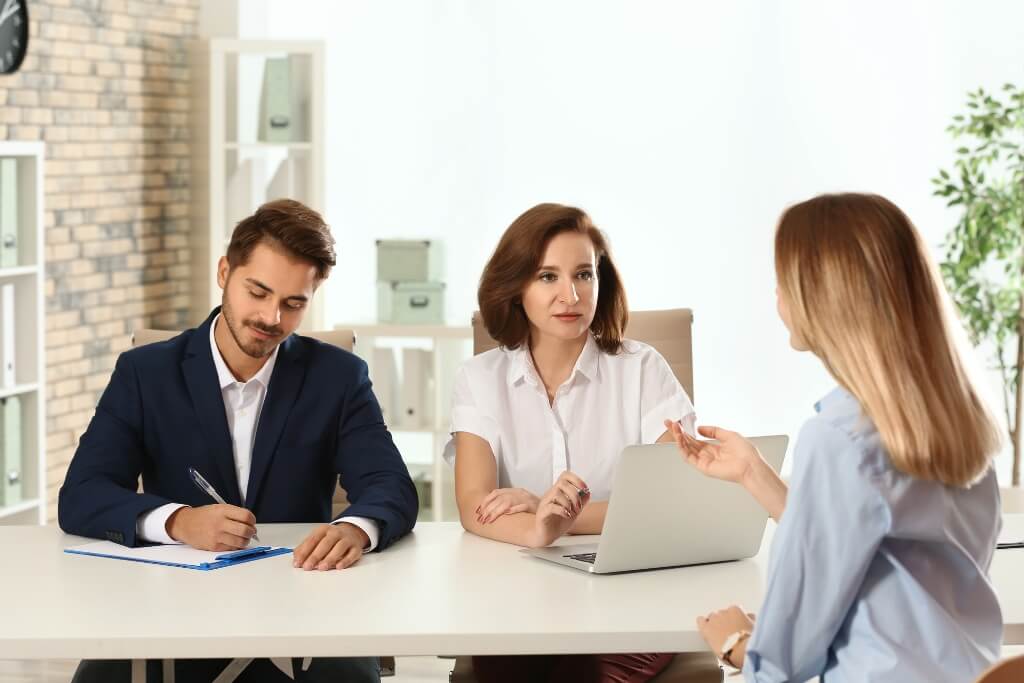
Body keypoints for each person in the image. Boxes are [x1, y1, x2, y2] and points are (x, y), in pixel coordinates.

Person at [59, 199, 418, 683]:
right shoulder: (146, 374)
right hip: (171, 611)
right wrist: (178, 521)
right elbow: (82, 494)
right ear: (225, 271)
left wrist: (355, 528)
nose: (272, 317)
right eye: (259, 292)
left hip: (304, 611)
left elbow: (391, 486)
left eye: (294, 303)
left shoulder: (339, 377)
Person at [667, 193, 1003, 683]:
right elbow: (885, 560)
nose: (776, 296)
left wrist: (738, 643)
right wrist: (753, 474)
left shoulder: (839, 439)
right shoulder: (960, 421)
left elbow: (785, 667)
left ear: (826, 296)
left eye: (784, 280)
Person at [446, 203, 713, 682]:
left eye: (583, 274)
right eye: (547, 276)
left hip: (632, 595)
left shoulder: (642, 368)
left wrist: (551, 513)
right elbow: (474, 505)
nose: (570, 295)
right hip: (516, 597)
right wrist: (536, 530)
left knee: (582, 672)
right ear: (516, 288)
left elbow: (677, 500)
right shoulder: (480, 378)